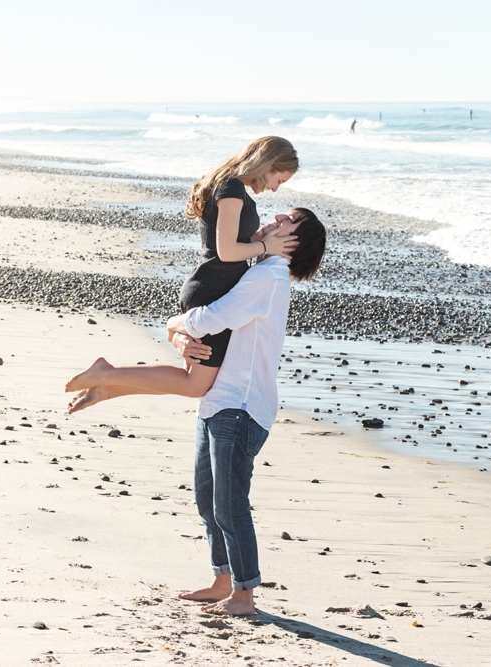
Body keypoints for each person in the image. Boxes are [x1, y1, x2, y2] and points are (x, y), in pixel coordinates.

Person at [65, 136, 299, 411]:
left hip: (211, 285)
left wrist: (263, 237)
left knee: (194, 382)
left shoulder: (230, 187)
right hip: (212, 288)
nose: (274, 189)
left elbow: (232, 242)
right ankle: (106, 375)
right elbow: (226, 251)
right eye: (279, 180)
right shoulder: (232, 188)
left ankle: (107, 388)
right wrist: (264, 245)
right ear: (268, 164)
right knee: (194, 384)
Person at [170, 209, 327, 615]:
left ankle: (244, 595)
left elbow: (211, 319)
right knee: (208, 499)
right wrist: (180, 335)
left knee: (229, 503)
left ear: (293, 243)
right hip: (220, 399)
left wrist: (174, 324)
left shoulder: (266, 277)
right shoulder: (258, 272)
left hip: (240, 405)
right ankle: (223, 580)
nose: (277, 215)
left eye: (290, 218)